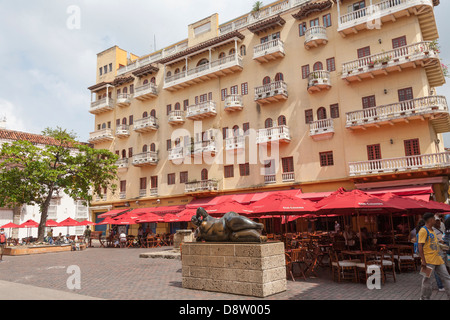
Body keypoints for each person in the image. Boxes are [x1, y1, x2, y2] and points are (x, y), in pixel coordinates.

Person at [418, 212, 450, 300]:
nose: (436, 222)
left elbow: (432, 243)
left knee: (446, 277)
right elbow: (420, 245)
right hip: (427, 260)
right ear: (431, 220)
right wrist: (423, 261)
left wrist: (440, 244)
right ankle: (424, 298)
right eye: (435, 220)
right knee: (426, 280)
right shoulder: (423, 230)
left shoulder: (432, 230)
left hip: (438, 259)